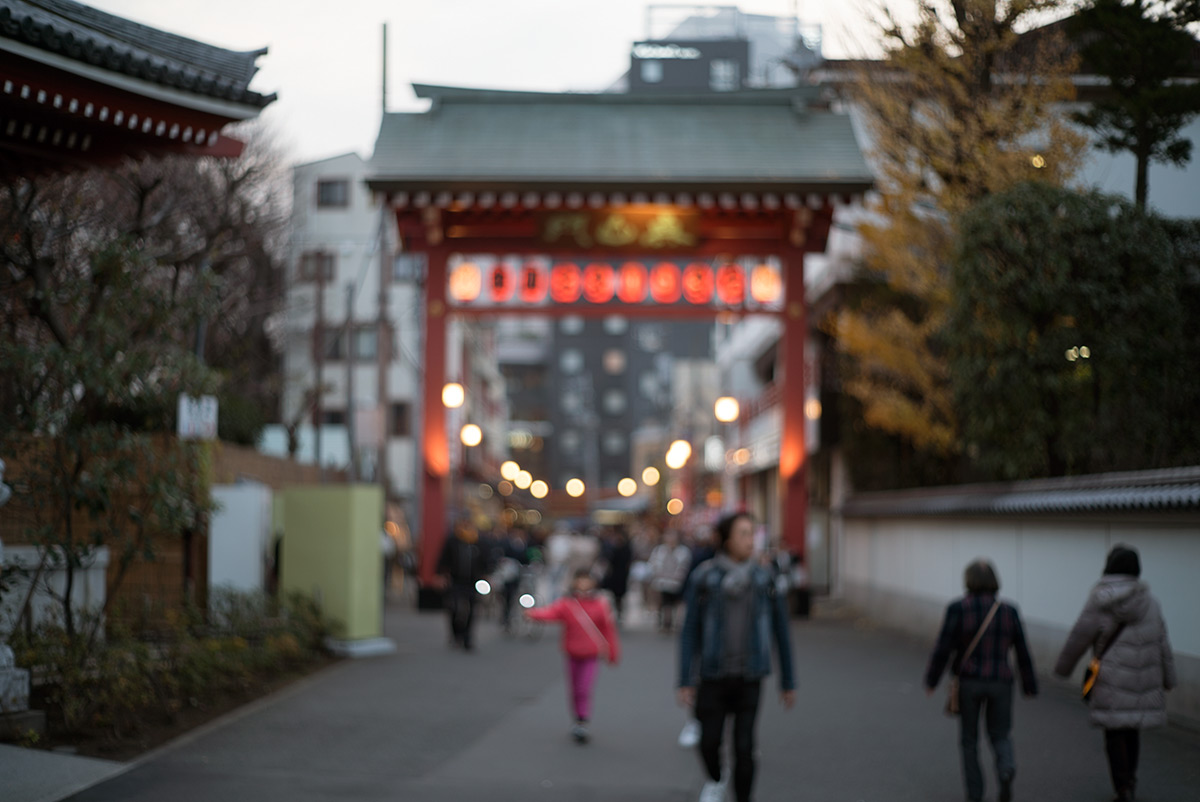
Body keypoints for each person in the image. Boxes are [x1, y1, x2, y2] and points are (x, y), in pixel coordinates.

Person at [677, 512, 795, 802]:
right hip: (713, 674)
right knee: (709, 742)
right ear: (726, 539)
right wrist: (685, 678)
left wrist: (788, 680)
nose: (749, 540)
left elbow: (781, 630)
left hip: (750, 675)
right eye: (743, 533)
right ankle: (716, 779)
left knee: (744, 747)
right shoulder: (705, 576)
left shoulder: (764, 578)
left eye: (752, 533)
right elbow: (690, 629)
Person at [1053, 545, 1175, 802]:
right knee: (1133, 729)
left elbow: (1080, 635)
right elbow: (1163, 642)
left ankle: (1122, 787)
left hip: (1111, 677)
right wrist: (1169, 677)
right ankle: (1129, 780)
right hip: (1144, 679)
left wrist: (1063, 668)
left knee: (1114, 731)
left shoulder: (1100, 599)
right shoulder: (1151, 602)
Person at [924, 559, 1038, 802]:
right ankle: (1006, 768)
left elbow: (943, 647)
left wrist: (932, 680)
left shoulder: (958, 608)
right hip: (1001, 682)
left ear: (969, 580)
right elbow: (1022, 650)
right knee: (1000, 734)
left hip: (969, 682)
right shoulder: (1009, 611)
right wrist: (1029, 685)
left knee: (969, 740)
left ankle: (975, 795)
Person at [525, 567, 621, 744]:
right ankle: (576, 719)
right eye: (580, 579)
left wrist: (613, 652)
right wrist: (533, 614)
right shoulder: (567, 604)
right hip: (572, 652)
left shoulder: (600, 604)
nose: (583, 583)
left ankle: (582, 720)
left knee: (584, 687)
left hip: (591, 653)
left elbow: (608, 629)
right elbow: (551, 613)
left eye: (587, 579)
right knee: (574, 688)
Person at [437, 520, 488, 651]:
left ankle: (467, 637)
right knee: (454, 607)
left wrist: (486, 575)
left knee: (471, 608)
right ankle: (456, 633)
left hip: (472, 582)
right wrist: (441, 574)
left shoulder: (478, 542)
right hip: (456, 580)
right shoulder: (453, 541)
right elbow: (443, 558)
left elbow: (484, 561)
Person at [650, 529, 692, 633]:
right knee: (665, 603)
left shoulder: (683, 551)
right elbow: (654, 565)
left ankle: (676, 623)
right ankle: (665, 623)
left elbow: (684, 567)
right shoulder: (660, 550)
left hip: (677, 583)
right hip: (662, 583)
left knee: (677, 603)